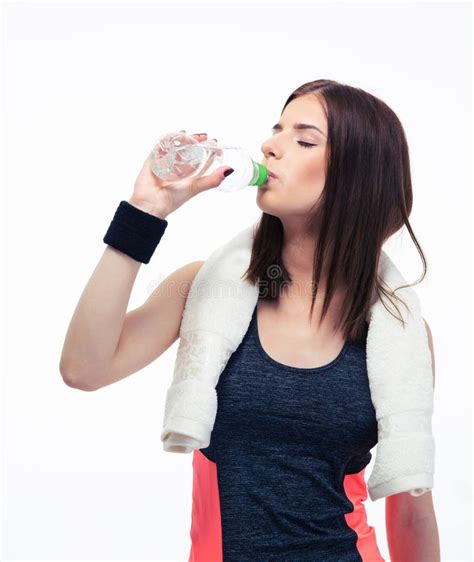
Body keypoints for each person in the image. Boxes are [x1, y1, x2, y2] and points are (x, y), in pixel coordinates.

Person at [59, 79, 440, 561]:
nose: (270, 146)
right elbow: (83, 369)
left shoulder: (399, 333)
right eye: (276, 129)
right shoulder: (202, 289)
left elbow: (410, 510)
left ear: (357, 175)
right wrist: (145, 211)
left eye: (303, 140)